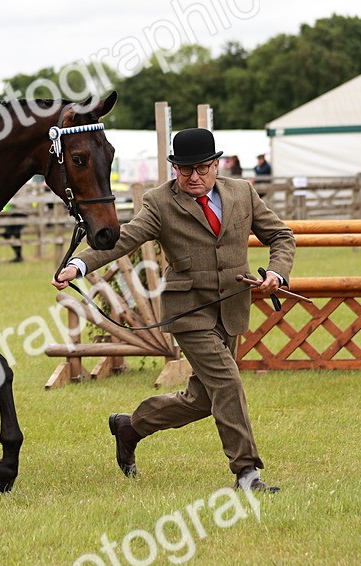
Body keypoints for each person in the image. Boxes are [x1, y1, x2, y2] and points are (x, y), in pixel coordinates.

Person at [52, 128, 295, 493]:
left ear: (216, 165)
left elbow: (281, 235)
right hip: (188, 312)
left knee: (202, 400)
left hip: (231, 307)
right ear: (174, 170)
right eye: (184, 171)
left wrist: (276, 272)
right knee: (227, 383)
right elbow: (127, 238)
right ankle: (247, 474)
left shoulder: (242, 192)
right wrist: (79, 265)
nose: (193, 178)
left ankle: (130, 427)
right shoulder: (160, 202)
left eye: (201, 168)